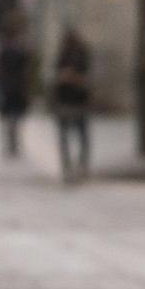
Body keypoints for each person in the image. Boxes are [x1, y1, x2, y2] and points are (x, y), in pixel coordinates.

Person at [50, 28, 92, 182]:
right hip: (66, 100)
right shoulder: (63, 56)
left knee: (80, 134)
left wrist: (73, 77)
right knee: (68, 135)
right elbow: (57, 75)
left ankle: (81, 164)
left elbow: (87, 77)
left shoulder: (82, 56)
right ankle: (69, 165)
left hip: (77, 100)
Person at [0, 20, 33, 159]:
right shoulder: (20, 50)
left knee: (8, 119)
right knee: (15, 118)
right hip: (16, 88)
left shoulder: (4, 50)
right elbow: (27, 71)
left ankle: (11, 142)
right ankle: (14, 142)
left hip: (7, 88)